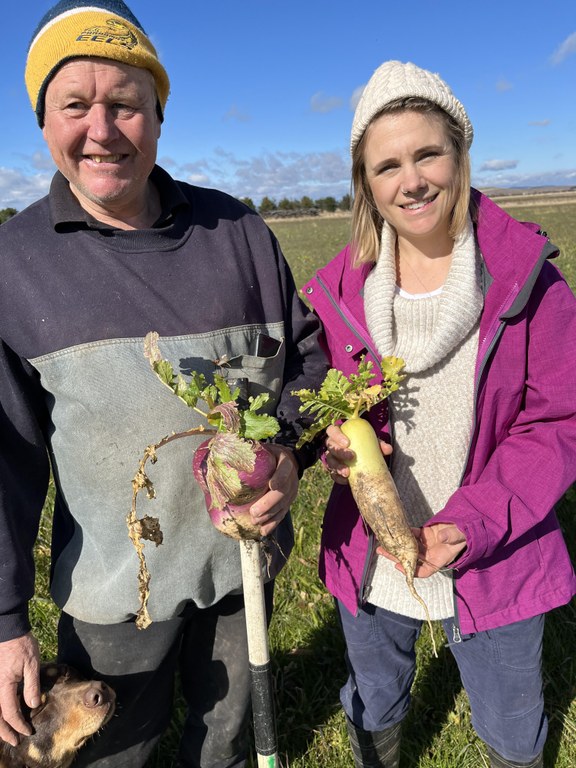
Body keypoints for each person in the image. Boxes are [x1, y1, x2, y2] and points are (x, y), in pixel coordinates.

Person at [0, 1, 327, 766]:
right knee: (121, 747)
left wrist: (286, 451)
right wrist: (4, 617)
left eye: (126, 103)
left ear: (158, 113)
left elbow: (309, 365)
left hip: (242, 568)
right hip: (114, 590)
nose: (102, 129)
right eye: (75, 105)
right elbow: (3, 460)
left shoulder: (238, 234)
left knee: (223, 739)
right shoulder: (13, 267)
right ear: (43, 119)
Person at [302, 60, 576, 768]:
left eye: (428, 153)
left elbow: (558, 424)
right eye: (387, 165)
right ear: (366, 182)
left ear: (460, 153)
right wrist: (333, 441)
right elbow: (315, 403)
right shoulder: (337, 291)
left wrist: (473, 524)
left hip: (496, 555)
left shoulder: (530, 283)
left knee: (513, 727)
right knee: (376, 696)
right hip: (374, 552)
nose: (411, 180)